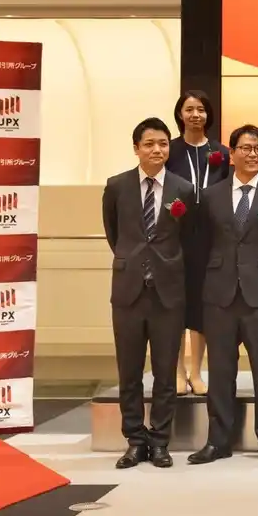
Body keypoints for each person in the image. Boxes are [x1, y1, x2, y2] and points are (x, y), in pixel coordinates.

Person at [188, 125, 258, 467]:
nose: (253, 154)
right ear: (231, 154)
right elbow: (200, 247)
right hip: (220, 295)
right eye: (246, 148)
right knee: (221, 371)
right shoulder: (210, 196)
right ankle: (218, 441)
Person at [102, 117, 195, 470]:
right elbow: (114, 234)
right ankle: (134, 440)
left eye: (163, 144)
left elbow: (189, 237)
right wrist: (135, 262)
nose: (157, 150)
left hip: (168, 293)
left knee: (165, 372)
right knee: (129, 371)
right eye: (150, 144)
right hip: (128, 292)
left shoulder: (183, 189)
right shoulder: (117, 186)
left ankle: (159, 441)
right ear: (136, 148)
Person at [166, 90, 230, 397]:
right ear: (180, 114)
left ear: (208, 115)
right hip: (176, 235)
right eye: (189, 109)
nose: (195, 115)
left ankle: (196, 371)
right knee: (177, 304)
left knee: (203, 305)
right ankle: (177, 370)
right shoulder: (170, 150)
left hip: (210, 237)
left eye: (201, 109)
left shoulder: (222, 153)